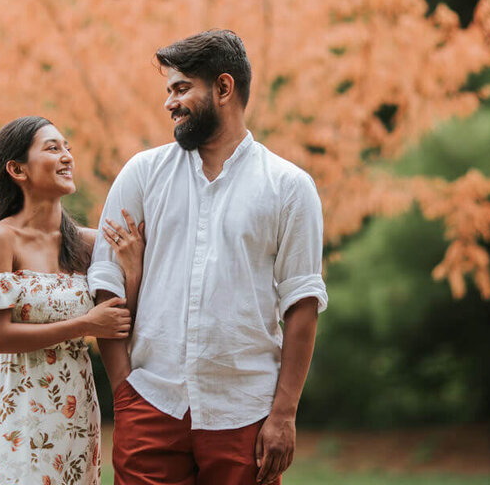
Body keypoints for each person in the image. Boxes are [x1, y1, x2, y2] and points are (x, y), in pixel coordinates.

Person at [89, 30, 327, 485]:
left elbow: (302, 303)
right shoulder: (142, 173)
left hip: (247, 412)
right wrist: (125, 392)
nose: (169, 103)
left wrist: (283, 415)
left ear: (223, 88)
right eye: (168, 91)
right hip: (151, 403)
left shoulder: (289, 187)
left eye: (181, 89)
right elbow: (106, 281)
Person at [0, 115, 146, 485]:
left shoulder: (88, 243)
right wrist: (84, 325)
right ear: (17, 169)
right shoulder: (0, 238)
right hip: (19, 407)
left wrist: (132, 268)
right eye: (53, 148)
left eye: (68, 147)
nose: (67, 156)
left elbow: (119, 319)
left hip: (75, 407)